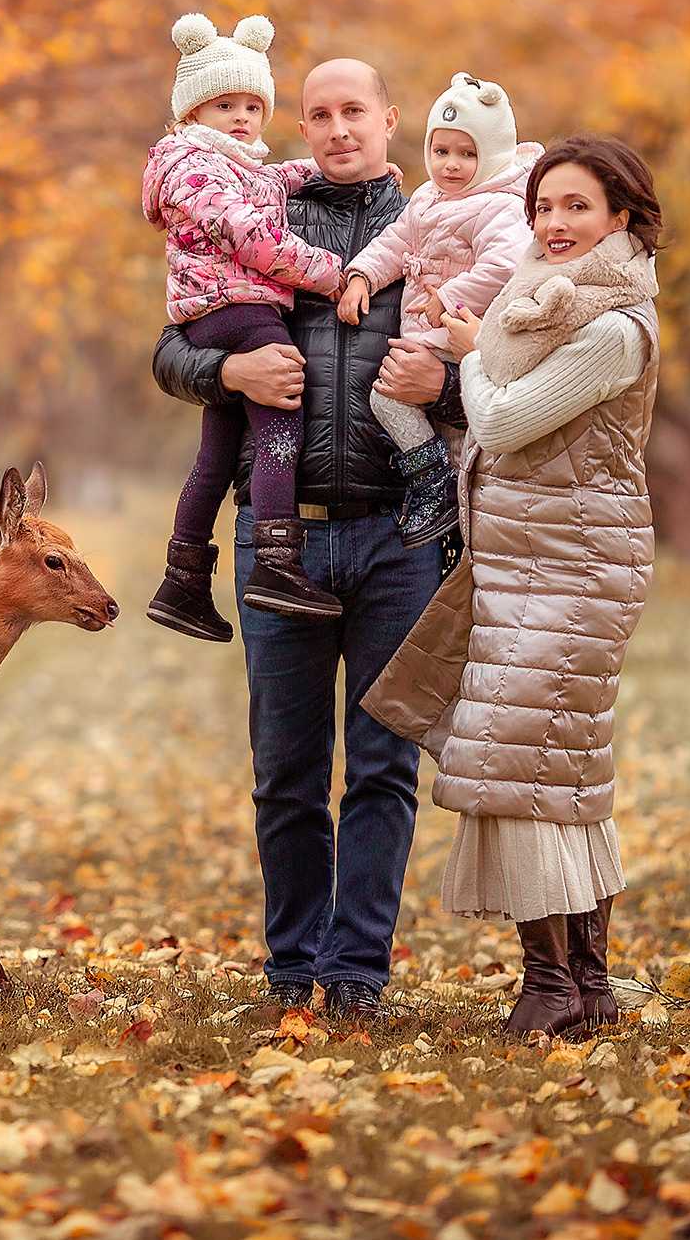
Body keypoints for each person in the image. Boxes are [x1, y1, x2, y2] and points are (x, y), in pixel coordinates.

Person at [151, 58, 464, 1018]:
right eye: (318, 113)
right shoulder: (252, 210)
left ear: (388, 119)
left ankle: (357, 976)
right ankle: (292, 972)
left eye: (354, 112)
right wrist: (227, 378)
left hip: (396, 535)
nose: (336, 129)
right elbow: (171, 346)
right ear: (301, 124)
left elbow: (493, 366)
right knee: (286, 771)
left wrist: (442, 392)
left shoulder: (443, 227)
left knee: (382, 767)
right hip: (278, 534)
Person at [361, 132, 664, 1037]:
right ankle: (589, 987)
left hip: (572, 567)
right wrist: (479, 343)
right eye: (542, 207)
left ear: (622, 217)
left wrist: (466, 356)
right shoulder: (541, 306)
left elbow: (500, 415)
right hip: (528, 558)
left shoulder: (613, 327)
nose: (555, 224)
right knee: (558, 768)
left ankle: (552, 986)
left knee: (517, 761)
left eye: (577, 206)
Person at [144, 13, 347, 640]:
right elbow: (250, 235)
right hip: (236, 310)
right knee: (282, 409)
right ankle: (276, 560)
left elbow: (269, 183)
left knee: (215, 453)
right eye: (223, 103)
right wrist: (331, 272)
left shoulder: (229, 163)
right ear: (190, 112)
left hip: (222, 313)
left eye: (253, 105)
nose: (241, 117)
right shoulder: (192, 168)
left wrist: (317, 173)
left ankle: (182, 579)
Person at [337, 73, 539, 549]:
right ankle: (438, 489)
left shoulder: (500, 206)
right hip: (427, 334)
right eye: (441, 150)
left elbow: (505, 267)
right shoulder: (428, 198)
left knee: (387, 396)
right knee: (409, 404)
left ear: (492, 155)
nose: (450, 165)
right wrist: (361, 276)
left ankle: (434, 484)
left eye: (467, 154)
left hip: (460, 332)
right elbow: (394, 242)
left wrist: (448, 297)